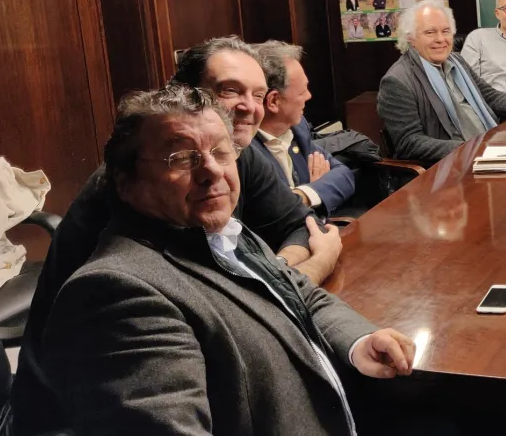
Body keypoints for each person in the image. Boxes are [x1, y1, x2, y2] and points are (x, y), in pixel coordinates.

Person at [32, 86, 416, 434]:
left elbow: (300, 293)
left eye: (220, 152)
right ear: (126, 182)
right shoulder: (116, 294)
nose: (212, 171)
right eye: (181, 158)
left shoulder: (220, 231)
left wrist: (359, 341)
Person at [12, 36, 340, 434]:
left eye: (259, 94)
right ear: (184, 95)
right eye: (229, 90)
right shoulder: (124, 232)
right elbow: (136, 362)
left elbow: (295, 224)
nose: (249, 108)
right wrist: (306, 266)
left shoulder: (232, 150)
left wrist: (274, 272)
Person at [378, 0, 506, 167]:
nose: (440, 39)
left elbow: (489, 96)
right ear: (411, 38)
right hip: (452, 167)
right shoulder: (397, 81)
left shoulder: (457, 61)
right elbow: (409, 143)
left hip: (488, 149)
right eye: (430, 32)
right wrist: (470, 149)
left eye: (446, 31)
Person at [251, 41, 355, 217]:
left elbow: (344, 175)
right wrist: (315, 191)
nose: (309, 96)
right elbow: (274, 214)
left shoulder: (298, 128)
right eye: (302, 92)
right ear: (273, 101)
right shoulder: (246, 151)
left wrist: (304, 194)